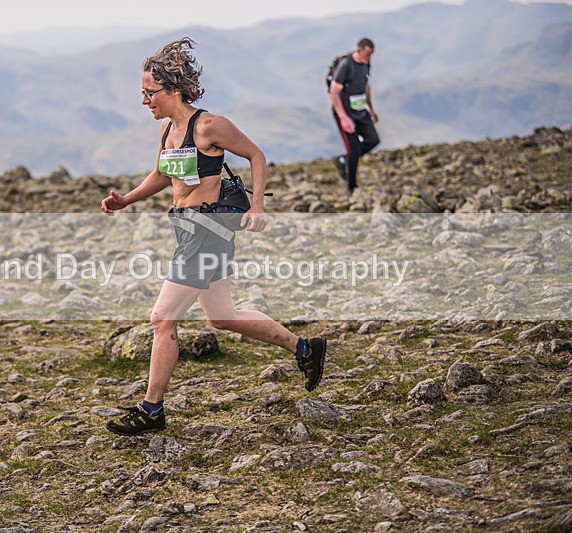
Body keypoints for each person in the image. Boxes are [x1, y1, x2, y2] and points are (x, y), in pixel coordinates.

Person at [100, 38, 327, 436]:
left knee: (161, 320)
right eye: (143, 93)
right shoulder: (168, 130)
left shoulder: (208, 126)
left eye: (150, 93)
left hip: (207, 230)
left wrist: (258, 206)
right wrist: (127, 200)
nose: (144, 101)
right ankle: (304, 347)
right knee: (223, 317)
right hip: (188, 229)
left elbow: (255, 155)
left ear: (173, 90)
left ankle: (151, 408)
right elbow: (162, 174)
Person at [330, 37, 380, 195]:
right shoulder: (346, 65)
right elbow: (334, 91)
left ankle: (344, 159)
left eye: (371, 55)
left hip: (361, 111)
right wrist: (343, 118)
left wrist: (371, 109)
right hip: (345, 113)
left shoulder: (366, 64)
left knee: (373, 140)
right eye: (367, 54)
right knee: (354, 149)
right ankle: (351, 188)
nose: (369, 58)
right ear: (358, 50)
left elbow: (365, 86)